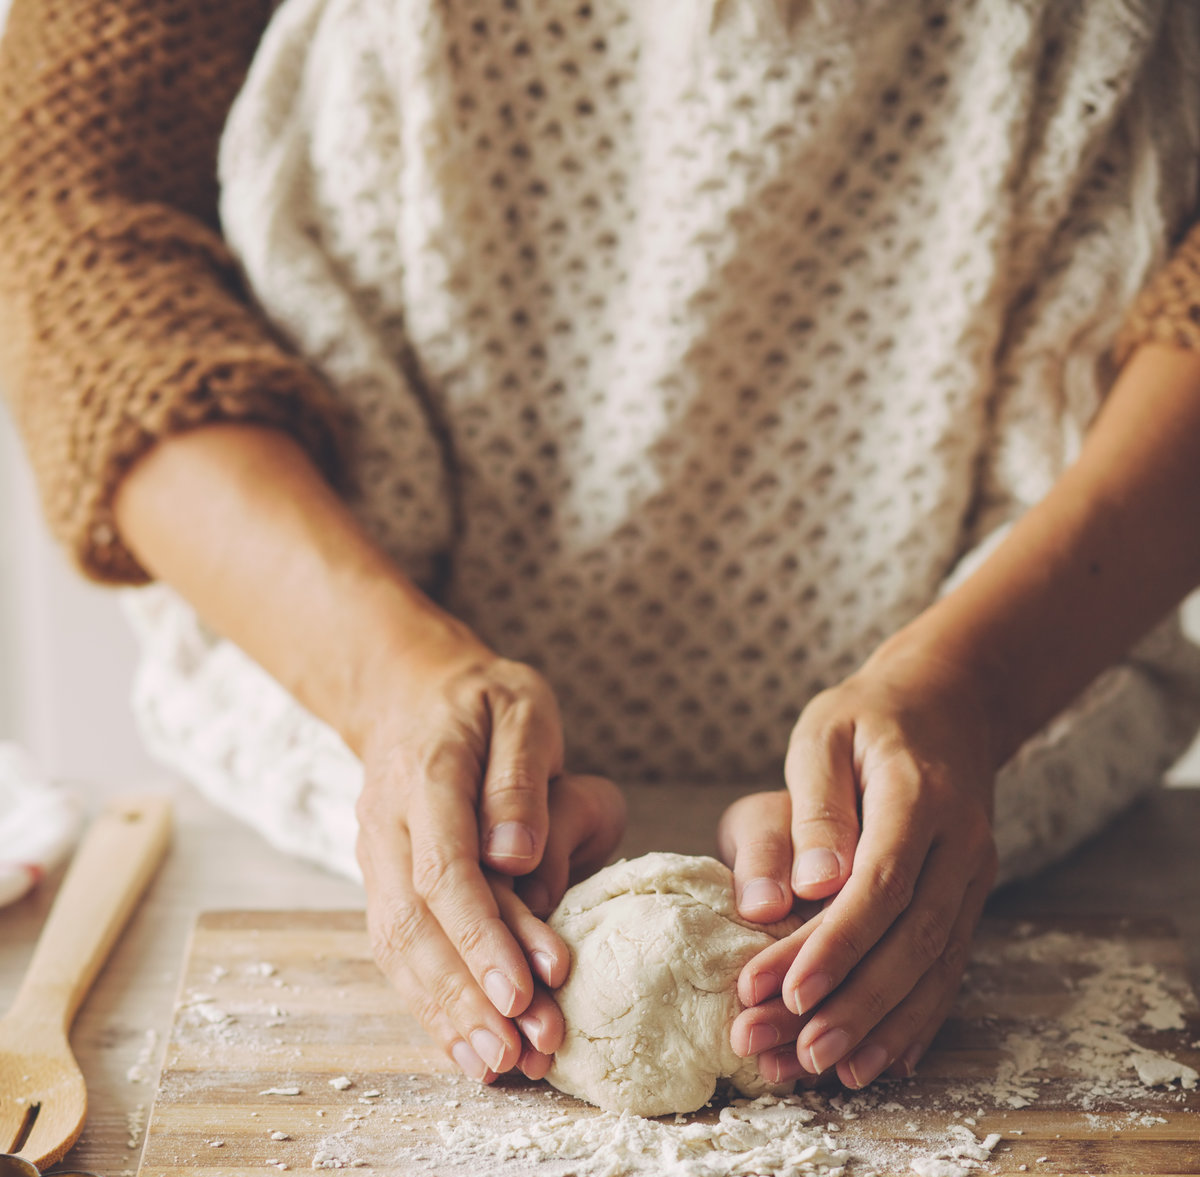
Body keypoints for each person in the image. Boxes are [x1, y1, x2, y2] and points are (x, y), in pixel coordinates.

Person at [3, 0, 1200, 1097]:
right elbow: (63, 203)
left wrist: (983, 685)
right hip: (332, 762)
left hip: (1037, 727)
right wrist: (380, 678)